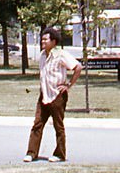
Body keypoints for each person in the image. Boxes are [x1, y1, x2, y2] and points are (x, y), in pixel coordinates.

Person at [23, 27, 81, 163]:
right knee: (37, 124)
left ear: (53, 41)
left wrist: (68, 85)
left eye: (45, 39)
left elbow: (78, 67)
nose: (43, 41)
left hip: (57, 96)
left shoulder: (61, 55)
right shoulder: (42, 55)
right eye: (42, 39)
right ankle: (31, 153)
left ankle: (60, 154)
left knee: (58, 126)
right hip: (44, 95)